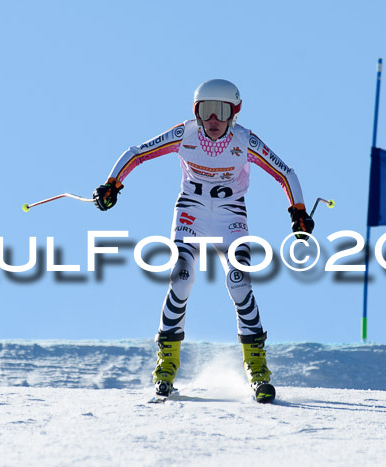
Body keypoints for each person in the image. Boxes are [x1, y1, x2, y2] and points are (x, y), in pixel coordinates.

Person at [93, 79, 313, 402]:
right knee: (181, 278)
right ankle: (165, 367)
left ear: (233, 114)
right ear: (196, 113)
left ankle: (258, 370)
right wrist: (112, 184)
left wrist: (298, 212)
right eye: (206, 110)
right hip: (191, 213)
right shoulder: (186, 135)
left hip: (230, 215)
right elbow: (138, 153)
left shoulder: (244, 141)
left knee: (239, 282)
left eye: (221, 111)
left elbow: (285, 173)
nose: (213, 119)